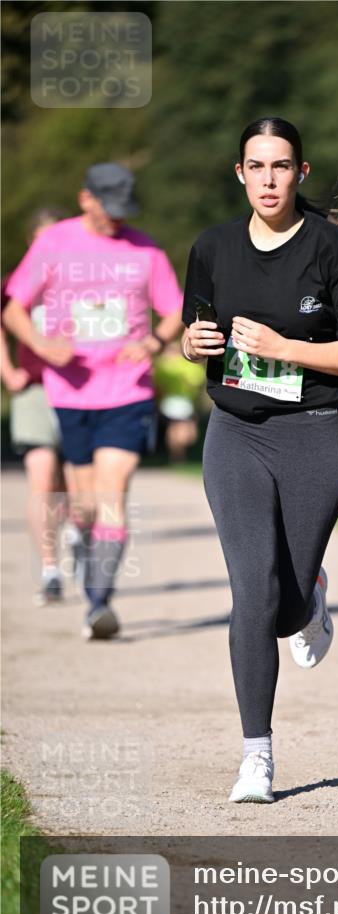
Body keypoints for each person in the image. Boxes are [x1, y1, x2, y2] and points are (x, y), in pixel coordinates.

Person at [181, 116, 338, 804]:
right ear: (238, 174)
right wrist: (192, 345)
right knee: (252, 594)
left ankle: (312, 595)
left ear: (299, 174)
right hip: (235, 433)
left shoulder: (334, 253)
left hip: (313, 434)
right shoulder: (211, 247)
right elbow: (192, 331)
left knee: (284, 605)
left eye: (280, 167)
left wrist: (283, 347)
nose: (267, 179)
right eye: (254, 166)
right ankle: (256, 758)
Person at [3, 163, 184, 639]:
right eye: (109, 210)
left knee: (112, 491)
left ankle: (99, 603)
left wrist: (151, 343)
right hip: (70, 391)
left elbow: (175, 309)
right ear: (86, 199)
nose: (117, 221)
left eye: (125, 211)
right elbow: (13, 306)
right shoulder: (55, 243)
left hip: (128, 389)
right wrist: (41, 346)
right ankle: (87, 558)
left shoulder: (145, 249)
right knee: (82, 502)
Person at [0, 207, 74, 605]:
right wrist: (7, 370)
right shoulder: (17, 283)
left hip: (83, 390)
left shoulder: (84, 279)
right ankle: (49, 568)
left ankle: (77, 531)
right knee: (42, 478)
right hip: (34, 388)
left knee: (72, 485)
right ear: (32, 242)